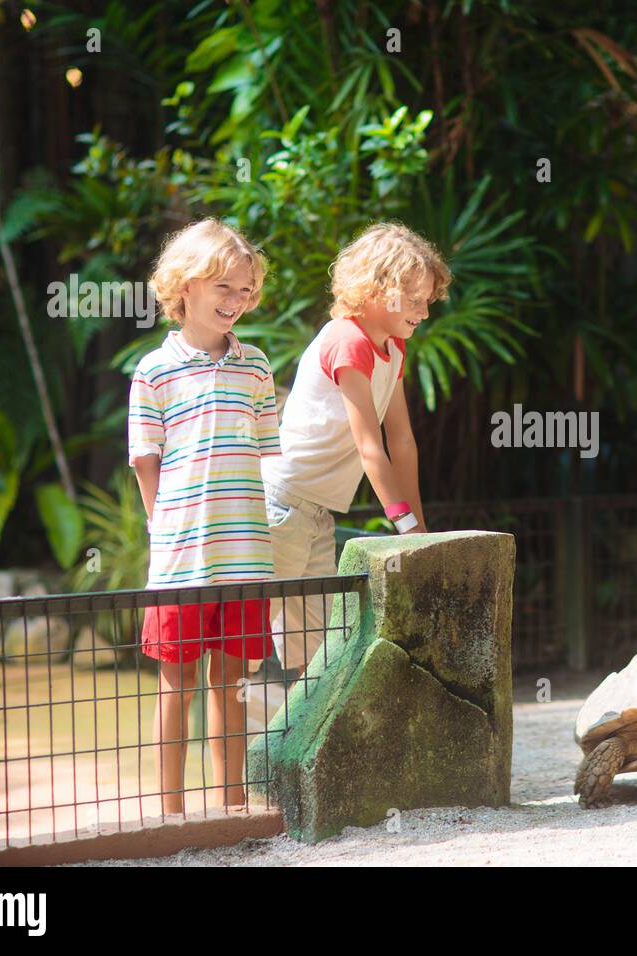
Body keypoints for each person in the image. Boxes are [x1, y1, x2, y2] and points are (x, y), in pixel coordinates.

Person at [128, 218, 280, 814]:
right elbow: (147, 465)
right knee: (175, 685)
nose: (237, 302)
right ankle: (170, 812)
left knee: (234, 685)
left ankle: (233, 806)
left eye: (246, 291)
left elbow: (268, 458)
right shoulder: (153, 371)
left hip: (247, 554)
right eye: (225, 288)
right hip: (180, 558)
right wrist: (163, 532)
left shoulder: (257, 366)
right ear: (184, 286)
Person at [261, 221, 451, 676]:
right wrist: (405, 524)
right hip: (281, 506)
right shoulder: (347, 340)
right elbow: (371, 448)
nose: (424, 311)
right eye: (415, 298)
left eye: (428, 299)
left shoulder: (394, 349)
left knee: (313, 658)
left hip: (317, 512)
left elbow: (401, 442)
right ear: (377, 289)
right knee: (247, 645)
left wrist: (419, 530)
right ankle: (235, 742)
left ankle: (300, 748)